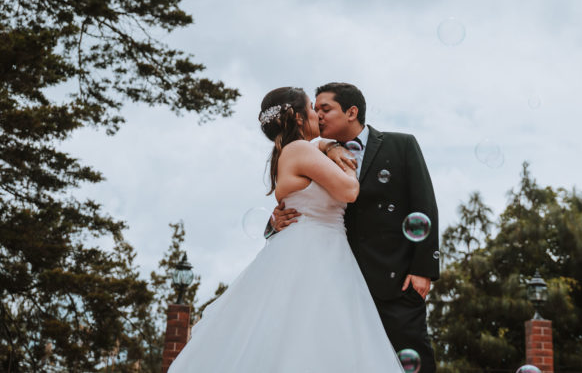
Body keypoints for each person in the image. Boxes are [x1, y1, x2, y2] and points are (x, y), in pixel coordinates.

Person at [168, 86, 405, 373]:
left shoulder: (294, 150)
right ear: (297, 116)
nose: (317, 113)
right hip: (316, 252)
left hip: (315, 245)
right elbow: (349, 191)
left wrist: (329, 146)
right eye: (310, 107)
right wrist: (347, 160)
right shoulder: (298, 149)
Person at [270, 82, 440, 373]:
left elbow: (424, 205)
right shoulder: (313, 155)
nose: (318, 115)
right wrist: (274, 221)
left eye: (325, 109)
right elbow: (302, 201)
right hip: (338, 281)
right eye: (315, 109)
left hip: (395, 280)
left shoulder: (401, 145)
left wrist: (423, 270)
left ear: (351, 112)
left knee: (411, 359)